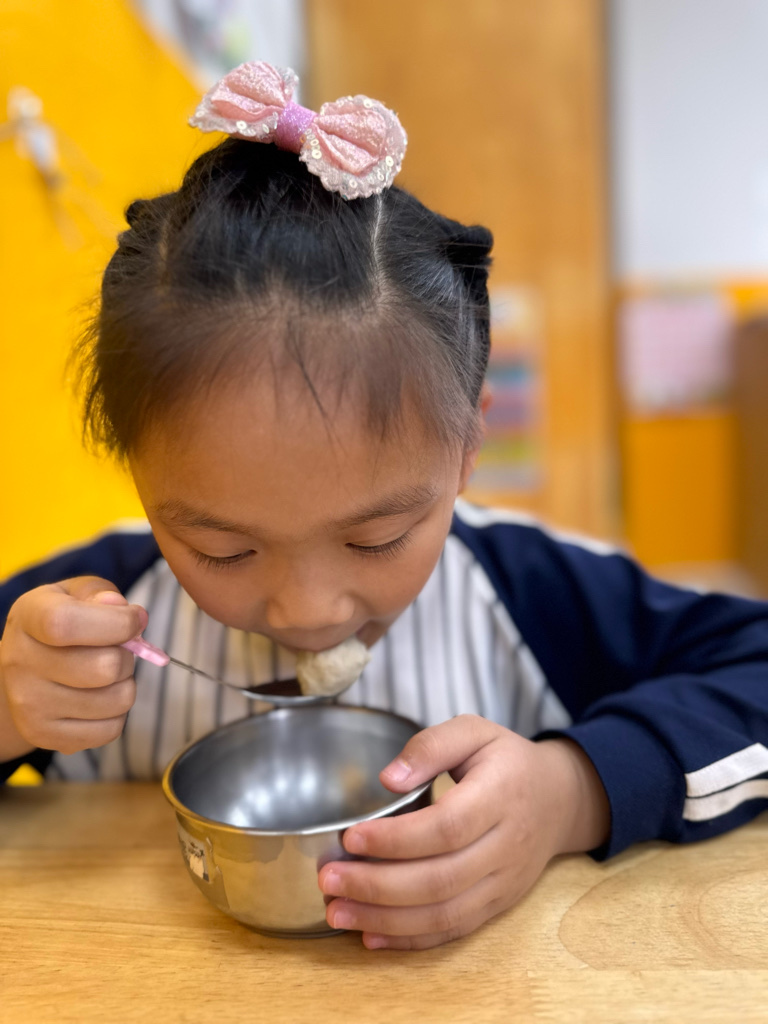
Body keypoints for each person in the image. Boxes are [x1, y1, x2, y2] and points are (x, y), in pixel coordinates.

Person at [2, 61, 768, 952]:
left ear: (468, 449)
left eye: (376, 538)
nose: (308, 611)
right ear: (138, 477)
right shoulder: (88, 619)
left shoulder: (528, 594)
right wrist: (10, 710)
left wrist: (572, 793)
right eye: (222, 550)